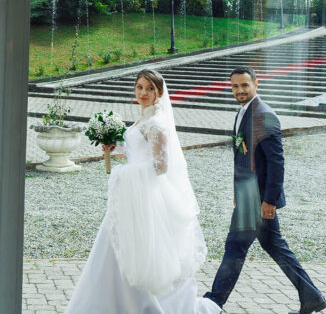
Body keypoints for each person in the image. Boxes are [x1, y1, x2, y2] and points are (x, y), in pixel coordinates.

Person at [66, 69, 220, 314]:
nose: (144, 93)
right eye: (140, 87)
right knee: (115, 246)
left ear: (159, 93)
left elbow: (160, 166)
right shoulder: (142, 119)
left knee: (141, 250)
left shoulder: (156, 124)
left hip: (145, 196)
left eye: (150, 88)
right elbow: (138, 151)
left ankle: (140, 305)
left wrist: (123, 174)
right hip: (131, 196)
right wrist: (115, 146)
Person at [203, 66, 326, 314]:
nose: (239, 90)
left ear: (256, 84)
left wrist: (269, 201)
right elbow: (243, 158)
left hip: (258, 201)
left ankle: (214, 301)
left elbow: (276, 162)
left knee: (235, 248)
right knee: (275, 246)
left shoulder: (264, 114)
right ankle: (312, 297)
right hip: (248, 196)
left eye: (245, 85)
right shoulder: (243, 112)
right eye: (235, 86)